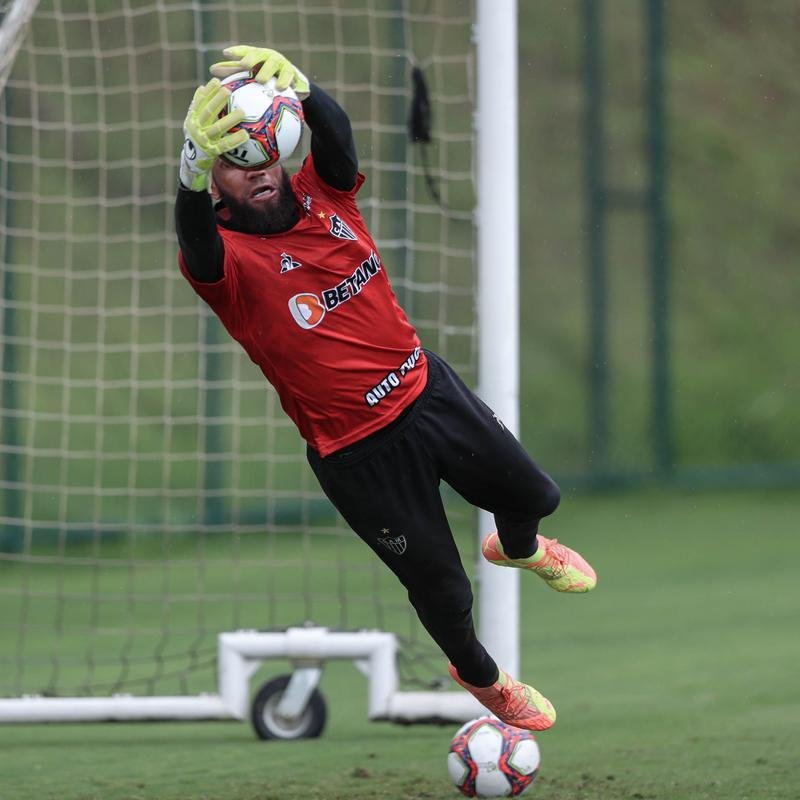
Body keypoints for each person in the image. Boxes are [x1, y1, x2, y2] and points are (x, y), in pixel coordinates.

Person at [175, 45, 597, 732]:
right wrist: (190, 171)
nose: (257, 170)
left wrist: (305, 90)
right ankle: (484, 680)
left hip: (428, 391)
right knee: (444, 590)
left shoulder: (324, 197)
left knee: (536, 497)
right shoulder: (226, 259)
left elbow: (338, 141)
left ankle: (517, 548)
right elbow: (193, 237)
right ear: (217, 182)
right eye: (234, 161)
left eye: (264, 153)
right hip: (357, 452)